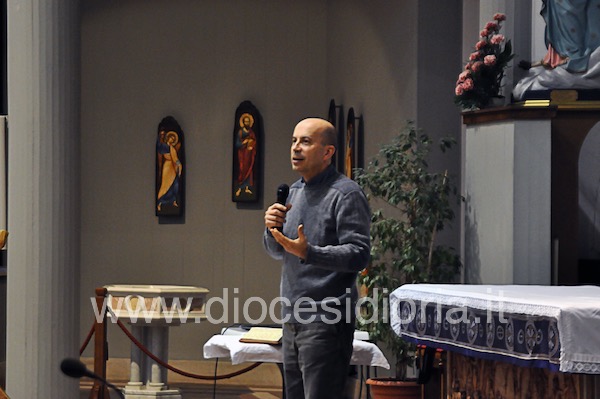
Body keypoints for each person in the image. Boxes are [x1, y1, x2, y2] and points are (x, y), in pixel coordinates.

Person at [263, 118, 371, 399]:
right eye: (294, 140)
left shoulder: (345, 194)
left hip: (327, 319)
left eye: (306, 142)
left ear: (327, 152)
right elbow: (277, 250)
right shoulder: (294, 192)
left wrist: (309, 253)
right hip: (292, 317)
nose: (296, 148)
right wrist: (271, 229)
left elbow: (359, 254)